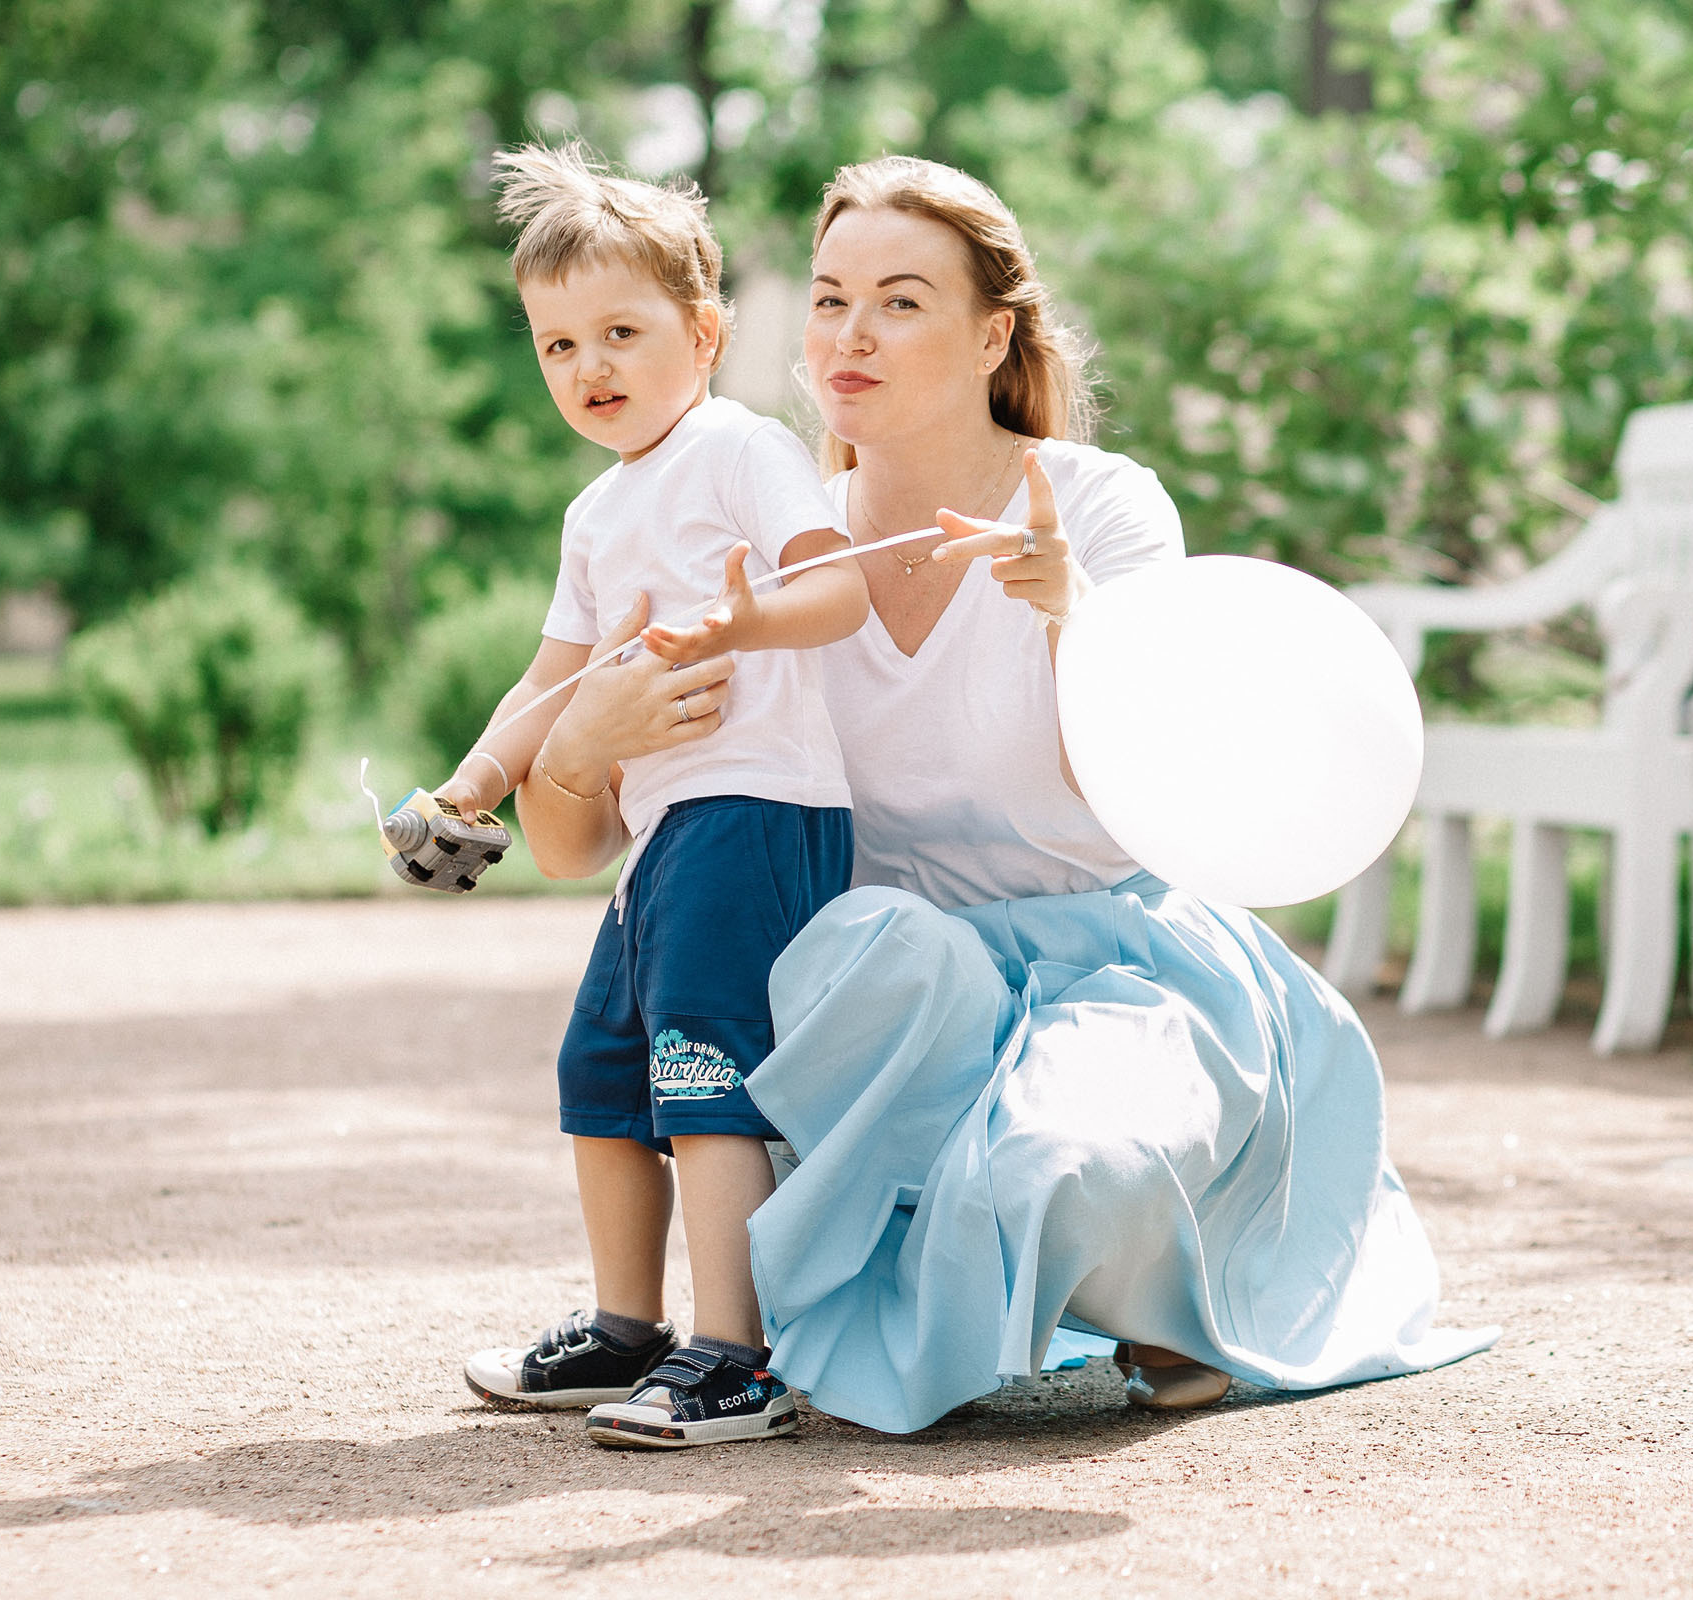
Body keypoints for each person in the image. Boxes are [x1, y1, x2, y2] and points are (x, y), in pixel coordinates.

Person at [515, 154, 1497, 1434]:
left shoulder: (1099, 506)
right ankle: (748, 1321)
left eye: (902, 301)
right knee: (855, 962)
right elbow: (573, 846)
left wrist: (1072, 622)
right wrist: (583, 738)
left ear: (993, 334)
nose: (849, 336)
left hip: (1114, 968)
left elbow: (1164, 798)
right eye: (826, 298)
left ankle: (1155, 1265)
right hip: (888, 1009)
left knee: (1055, 1169)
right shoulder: (770, 532)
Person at [441, 145, 868, 1448]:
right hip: (668, 833)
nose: (591, 368)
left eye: (621, 332)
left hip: (759, 810)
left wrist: (755, 615)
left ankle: (737, 1357)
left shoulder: (739, 449)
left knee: (701, 1068)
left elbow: (840, 586)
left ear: (707, 331)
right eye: (558, 345)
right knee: (605, 1070)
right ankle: (627, 1329)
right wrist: (472, 785)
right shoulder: (594, 514)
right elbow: (553, 675)